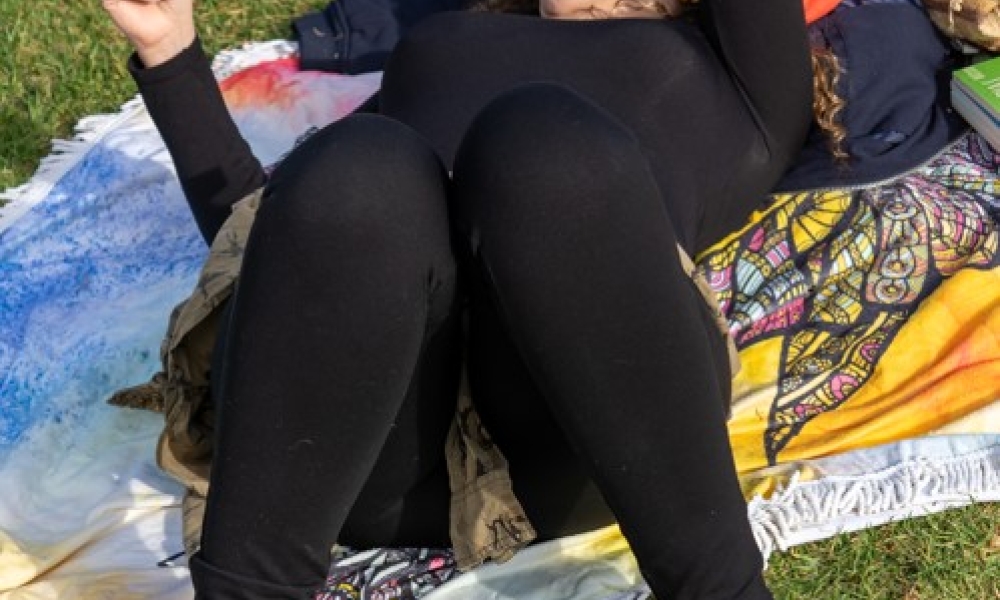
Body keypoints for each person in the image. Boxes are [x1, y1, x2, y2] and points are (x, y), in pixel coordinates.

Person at [101, 0, 813, 598]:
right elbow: (292, 244)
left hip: (585, 425)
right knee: (357, 169)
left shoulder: (739, 79)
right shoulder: (446, 37)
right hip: (368, 445)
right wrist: (171, 54)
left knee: (540, 146)